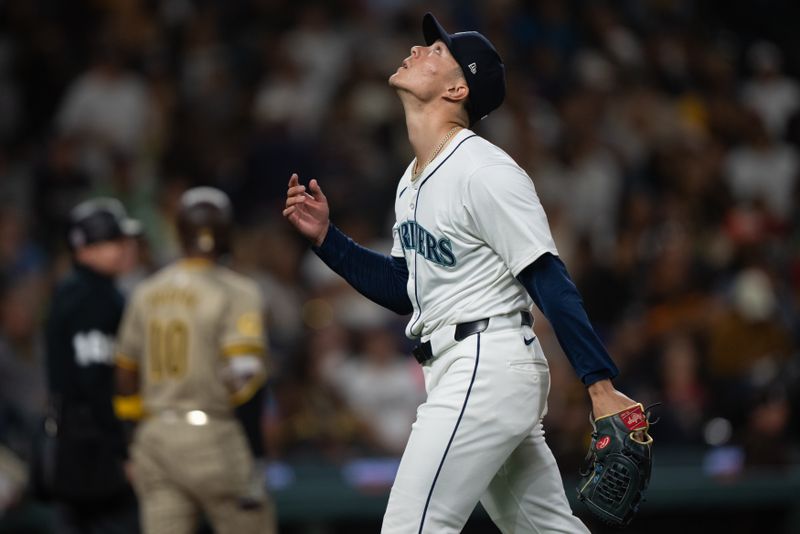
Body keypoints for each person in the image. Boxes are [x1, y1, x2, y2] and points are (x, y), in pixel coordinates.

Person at [284, 13, 644, 533]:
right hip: (469, 365)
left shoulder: (484, 170)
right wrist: (327, 240)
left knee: (411, 527)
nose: (418, 48)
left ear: (457, 88)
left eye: (438, 51)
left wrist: (600, 384)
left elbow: (548, 277)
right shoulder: (412, 182)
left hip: (486, 361)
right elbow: (406, 290)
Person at [115, 187, 275, 534]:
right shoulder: (237, 289)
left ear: (179, 231)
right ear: (226, 233)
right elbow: (244, 378)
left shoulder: (147, 291)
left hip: (155, 436)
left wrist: (132, 434)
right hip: (213, 434)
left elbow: (125, 372)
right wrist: (254, 453)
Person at [43, 197, 141, 533]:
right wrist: (121, 452)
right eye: (114, 241)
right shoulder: (91, 298)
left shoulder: (77, 290)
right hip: (93, 452)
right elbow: (94, 380)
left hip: (77, 443)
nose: (126, 248)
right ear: (84, 249)